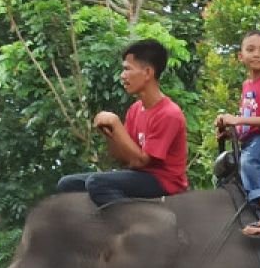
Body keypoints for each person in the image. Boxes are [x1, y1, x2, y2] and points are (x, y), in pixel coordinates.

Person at [57, 39, 188, 206]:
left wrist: (116, 123)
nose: (122, 75)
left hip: (163, 182)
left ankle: (135, 225)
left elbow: (141, 161)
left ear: (148, 73)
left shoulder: (169, 113)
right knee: (67, 184)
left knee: (97, 182)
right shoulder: (135, 109)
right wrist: (110, 133)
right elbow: (123, 158)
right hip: (138, 175)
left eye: (127, 69)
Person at [213, 31, 260, 234]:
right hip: (250, 139)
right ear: (241, 56)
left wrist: (238, 119)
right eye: (251, 49)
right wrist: (230, 132)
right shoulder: (247, 84)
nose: (257, 54)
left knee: (249, 162)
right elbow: (248, 121)